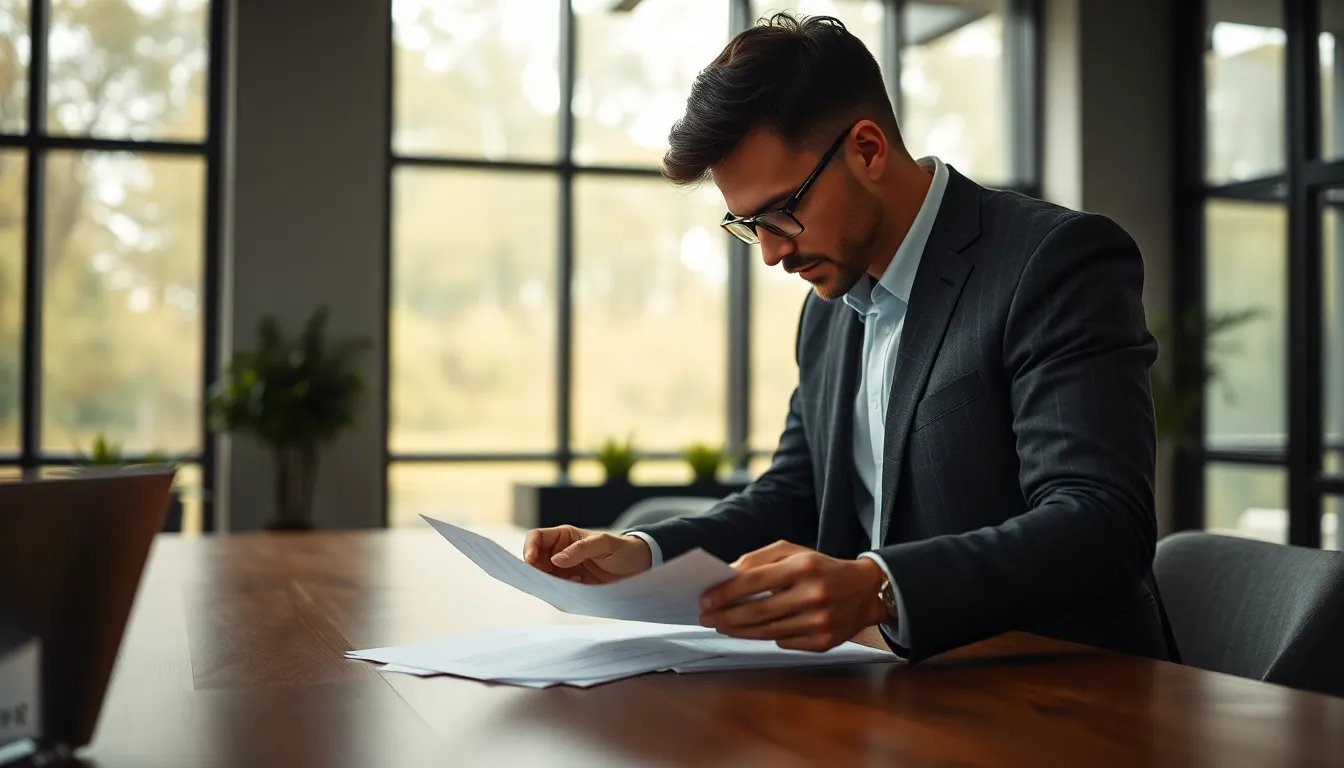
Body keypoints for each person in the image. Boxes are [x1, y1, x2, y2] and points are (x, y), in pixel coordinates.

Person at [524, 12, 1172, 663]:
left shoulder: (1051, 261)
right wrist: (644, 554)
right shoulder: (829, 309)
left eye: (783, 212)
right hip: (899, 684)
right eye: (749, 225)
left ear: (867, 149)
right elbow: (796, 494)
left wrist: (879, 587)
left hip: (1065, 685)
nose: (771, 253)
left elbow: (1100, 522)